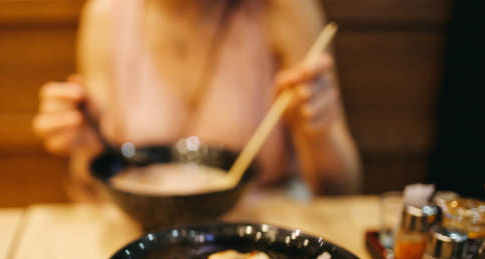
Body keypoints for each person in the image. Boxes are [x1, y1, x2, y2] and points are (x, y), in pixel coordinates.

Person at [33, 0, 361, 199]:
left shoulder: (282, 10)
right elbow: (89, 184)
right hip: (142, 235)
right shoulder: (107, 14)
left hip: (263, 234)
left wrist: (317, 131)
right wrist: (83, 141)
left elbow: (341, 189)